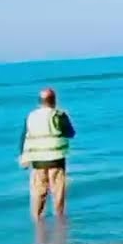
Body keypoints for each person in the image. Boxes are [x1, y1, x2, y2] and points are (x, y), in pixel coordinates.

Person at [18, 88, 76, 220]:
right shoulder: (58, 115)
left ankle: (37, 222)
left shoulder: (31, 116)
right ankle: (60, 220)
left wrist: (22, 156)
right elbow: (71, 133)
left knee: (39, 192)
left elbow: (23, 137)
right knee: (58, 193)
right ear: (54, 101)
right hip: (56, 160)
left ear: (39, 102)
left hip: (37, 161)